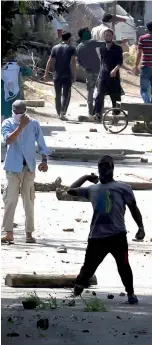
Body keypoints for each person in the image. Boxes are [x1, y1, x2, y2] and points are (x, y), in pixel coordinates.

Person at [67, 155, 145, 303]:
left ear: (112, 168)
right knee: (89, 267)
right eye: (101, 166)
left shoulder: (123, 188)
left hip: (117, 235)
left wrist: (140, 227)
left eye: (106, 166)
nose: (103, 169)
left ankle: (131, 294)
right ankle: (77, 291)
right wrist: (85, 177)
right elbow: (70, 190)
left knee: (123, 265)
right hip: (97, 236)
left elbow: (133, 208)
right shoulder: (92, 189)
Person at [1, 100, 49, 244]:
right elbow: (8, 140)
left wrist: (44, 160)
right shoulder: (7, 123)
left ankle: (29, 233)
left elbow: (41, 143)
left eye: (22, 113)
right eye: (17, 113)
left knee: (28, 200)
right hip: (12, 168)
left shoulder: (34, 124)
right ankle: (8, 233)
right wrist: (21, 127)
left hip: (28, 168)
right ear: (13, 111)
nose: (19, 115)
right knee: (10, 200)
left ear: (25, 111)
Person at [44, 32, 77, 120]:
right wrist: (75, 75)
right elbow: (73, 62)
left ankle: (58, 113)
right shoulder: (71, 48)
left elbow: (49, 61)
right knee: (66, 94)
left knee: (57, 94)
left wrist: (46, 73)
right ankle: (62, 112)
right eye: (72, 38)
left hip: (56, 75)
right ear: (69, 39)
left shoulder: (55, 47)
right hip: (67, 75)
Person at [94, 29, 123, 121]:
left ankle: (116, 115)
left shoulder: (118, 48)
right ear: (104, 37)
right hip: (103, 75)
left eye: (109, 35)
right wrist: (100, 73)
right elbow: (102, 62)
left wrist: (115, 70)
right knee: (99, 95)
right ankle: (97, 115)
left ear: (112, 36)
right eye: (106, 35)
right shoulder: (101, 48)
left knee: (115, 96)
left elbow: (120, 62)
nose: (107, 37)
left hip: (114, 76)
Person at [1, 49, 32, 123]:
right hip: (15, 92)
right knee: (15, 108)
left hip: (4, 91)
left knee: (4, 108)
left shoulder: (3, 67)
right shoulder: (19, 67)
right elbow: (29, 72)